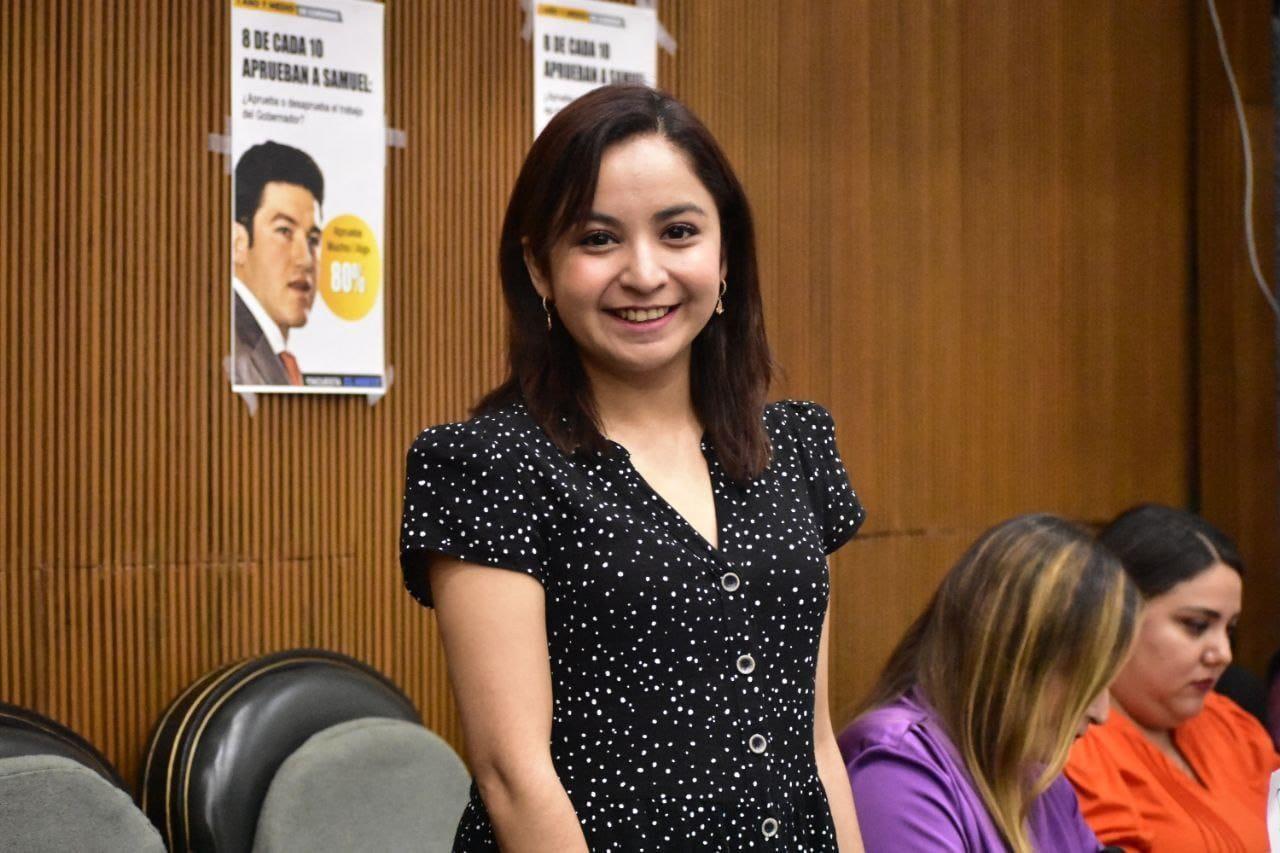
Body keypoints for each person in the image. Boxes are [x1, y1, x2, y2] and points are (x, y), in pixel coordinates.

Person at [400, 85, 867, 851]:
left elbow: (814, 741)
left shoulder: (797, 450)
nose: (644, 272)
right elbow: (513, 774)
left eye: (678, 231)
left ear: (725, 259)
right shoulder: (490, 467)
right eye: (597, 239)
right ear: (540, 269)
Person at [839, 514, 1140, 853]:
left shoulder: (1034, 775)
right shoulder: (896, 772)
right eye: (1086, 681)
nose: (1102, 713)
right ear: (1016, 660)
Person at [1065, 503, 1280, 852]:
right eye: (1196, 626)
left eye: (1230, 629)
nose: (1223, 653)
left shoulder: (1234, 726)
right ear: (1113, 615)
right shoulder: (1071, 743)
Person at [231, 140, 323, 386]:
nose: (305, 259)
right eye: (284, 231)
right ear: (238, 242)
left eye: (313, 239)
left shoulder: (269, 354)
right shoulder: (234, 353)